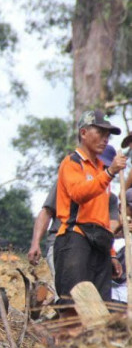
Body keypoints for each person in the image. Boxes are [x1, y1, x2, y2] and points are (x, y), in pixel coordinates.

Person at [54, 109, 126, 306]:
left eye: (107, 135)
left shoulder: (100, 170)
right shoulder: (72, 163)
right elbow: (79, 194)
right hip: (75, 237)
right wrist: (110, 172)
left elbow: (102, 217)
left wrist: (111, 253)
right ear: (84, 133)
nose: (105, 139)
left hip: (100, 242)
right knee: (74, 303)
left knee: (101, 307)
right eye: (100, 133)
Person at [28, 145, 120, 280]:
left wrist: (111, 254)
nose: (102, 170)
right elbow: (47, 212)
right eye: (100, 166)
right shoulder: (70, 182)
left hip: (95, 248)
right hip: (64, 242)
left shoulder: (110, 198)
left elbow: (110, 228)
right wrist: (35, 243)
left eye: (106, 168)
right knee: (70, 292)